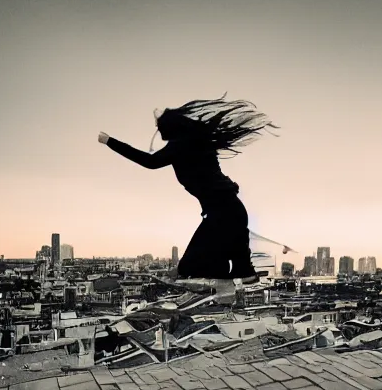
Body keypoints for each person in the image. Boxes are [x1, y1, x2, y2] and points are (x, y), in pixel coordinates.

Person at [98, 95, 278, 291]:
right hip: (230, 211)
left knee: (191, 266)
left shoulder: (180, 146)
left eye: (161, 130)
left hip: (223, 213)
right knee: (240, 270)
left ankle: (222, 285)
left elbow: (149, 162)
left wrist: (110, 142)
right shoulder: (199, 142)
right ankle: (229, 283)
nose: (160, 134)